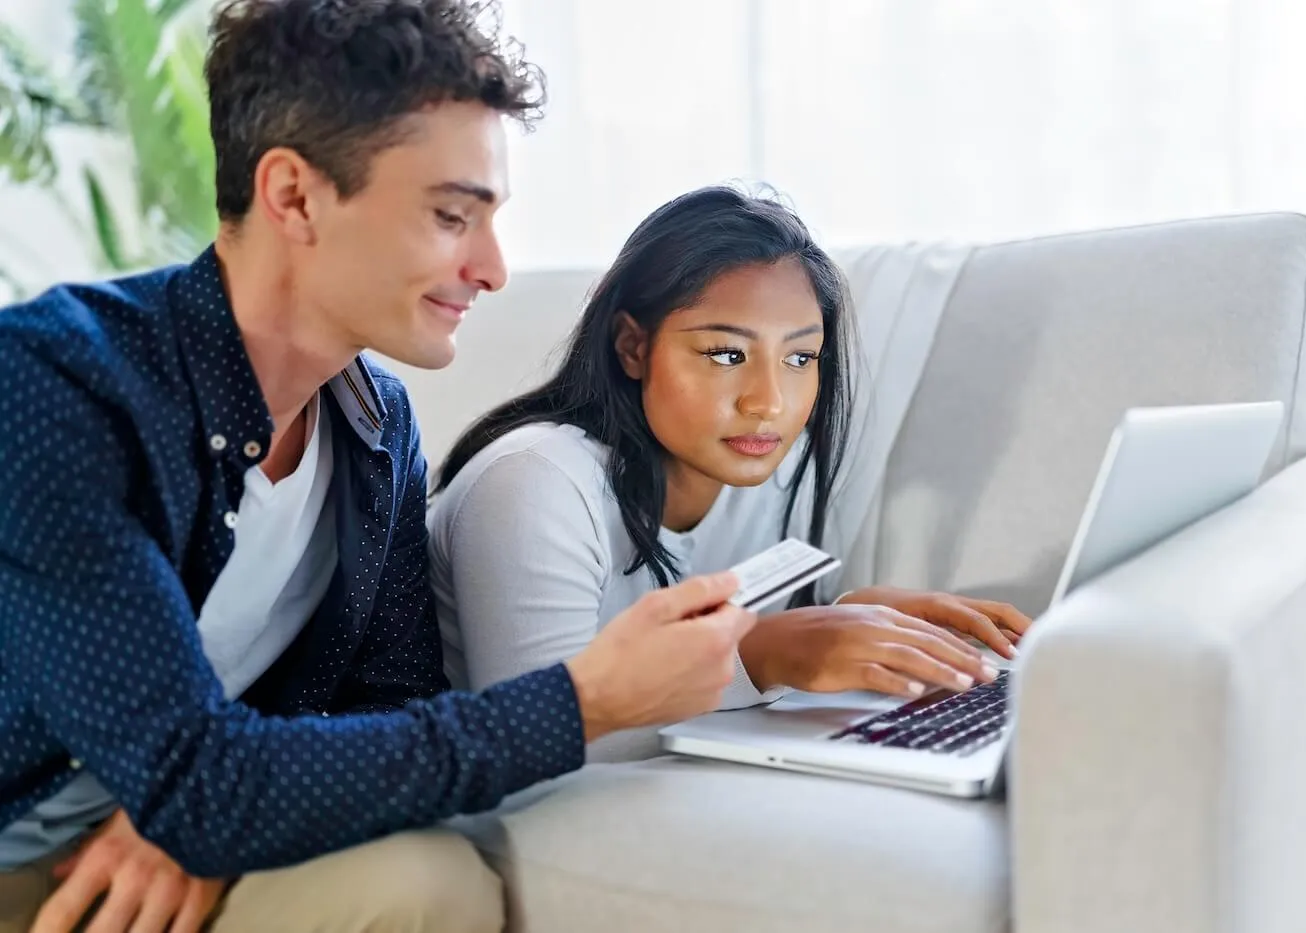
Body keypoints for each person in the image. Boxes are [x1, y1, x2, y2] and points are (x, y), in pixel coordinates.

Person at [0, 2, 757, 931]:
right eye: (451, 216)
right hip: (26, 855)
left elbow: (389, 703)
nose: (491, 268)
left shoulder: (373, 425)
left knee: (427, 878)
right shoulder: (56, 387)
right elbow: (205, 783)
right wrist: (585, 699)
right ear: (294, 197)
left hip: (167, 835)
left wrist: (215, 811)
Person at [428, 185, 1035, 759]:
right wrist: (762, 656)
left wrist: (847, 616)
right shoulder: (532, 485)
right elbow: (533, 748)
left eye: (800, 357)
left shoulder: (764, 466)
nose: (769, 401)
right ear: (632, 347)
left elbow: (754, 630)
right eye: (726, 354)